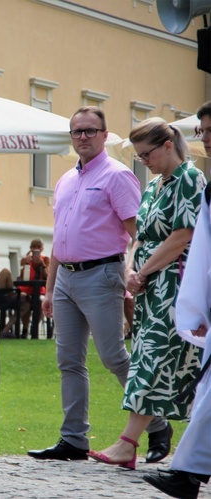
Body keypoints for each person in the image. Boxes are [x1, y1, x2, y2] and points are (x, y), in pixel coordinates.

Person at [28, 106, 169, 462]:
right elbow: (59, 239)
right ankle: (73, 438)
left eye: (91, 131)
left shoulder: (117, 176)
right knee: (68, 361)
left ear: (106, 135)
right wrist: (49, 285)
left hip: (101, 274)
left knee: (113, 357)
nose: (83, 137)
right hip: (65, 280)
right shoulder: (65, 180)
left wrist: (136, 275)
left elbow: (139, 234)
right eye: (77, 132)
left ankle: (156, 424)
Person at [87, 117, 204, 470]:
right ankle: (137, 443)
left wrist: (143, 270)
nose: (144, 161)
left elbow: (183, 234)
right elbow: (140, 233)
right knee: (154, 361)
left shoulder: (189, 179)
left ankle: (129, 443)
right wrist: (129, 270)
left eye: (146, 154)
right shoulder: (154, 186)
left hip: (176, 284)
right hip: (151, 287)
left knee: (157, 360)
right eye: (139, 157)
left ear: (168, 145)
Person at [143, 103, 211, 499]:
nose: (204, 138)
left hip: (173, 284)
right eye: (201, 130)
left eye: (207, 129)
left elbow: (188, 239)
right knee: (206, 396)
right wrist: (199, 307)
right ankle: (187, 473)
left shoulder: (192, 181)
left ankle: (186, 472)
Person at [17, 238, 49, 338]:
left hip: (40, 290)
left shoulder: (46, 259)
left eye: (38, 247)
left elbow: (47, 276)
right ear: (30, 248)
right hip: (26, 289)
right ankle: (25, 329)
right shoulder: (25, 259)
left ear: (42, 248)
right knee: (26, 301)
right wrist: (26, 263)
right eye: (34, 247)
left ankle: (34, 328)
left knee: (40, 303)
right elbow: (22, 277)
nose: (36, 249)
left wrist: (42, 264)